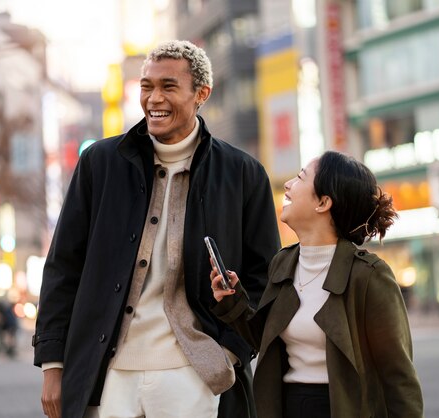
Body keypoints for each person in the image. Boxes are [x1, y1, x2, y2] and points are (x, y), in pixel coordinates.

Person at [33, 40, 280, 418]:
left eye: (168, 86)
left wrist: (228, 354)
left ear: (201, 94)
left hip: (193, 373)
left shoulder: (242, 174)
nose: (153, 99)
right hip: (108, 371)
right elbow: (64, 266)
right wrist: (53, 363)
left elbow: (263, 278)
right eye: (146, 86)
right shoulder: (99, 165)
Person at [210, 151, 424, 418]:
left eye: (300, 178)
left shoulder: (368, 276)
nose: (288, 185)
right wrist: (232, 300)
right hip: (287, 406)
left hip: (340, 408)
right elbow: (265, 339)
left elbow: (399, 377)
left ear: (323, 202)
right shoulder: (283, 263)